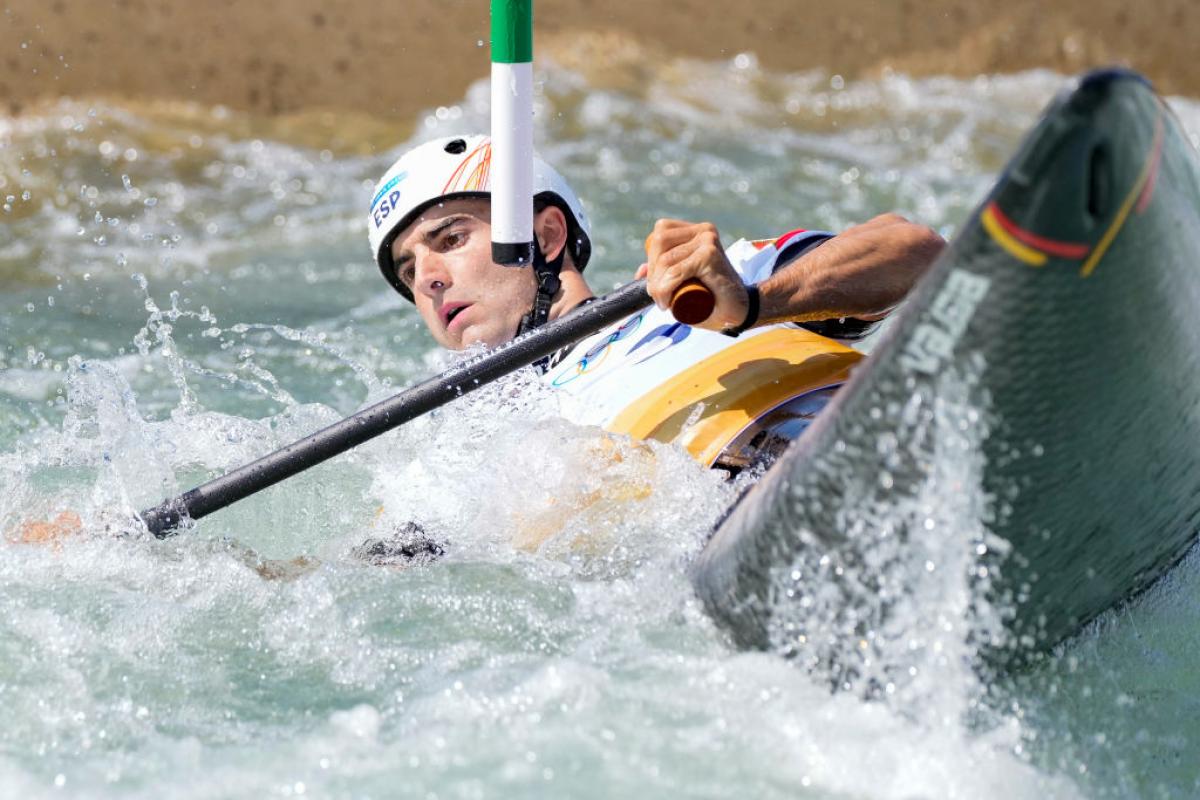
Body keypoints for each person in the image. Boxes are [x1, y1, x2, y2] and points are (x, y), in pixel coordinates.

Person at [368, 133, 944, 472]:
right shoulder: (468, 456)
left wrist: (750, 306)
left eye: (451, 239)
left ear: (544, 237)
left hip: (881, 449)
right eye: (409, 269)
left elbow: (915, 252)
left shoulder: (697, 289)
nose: (428, 279)